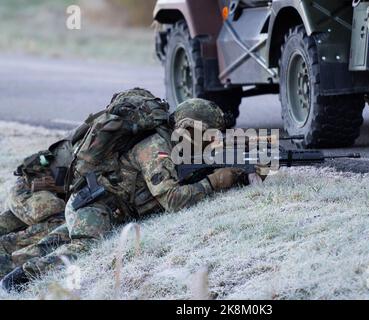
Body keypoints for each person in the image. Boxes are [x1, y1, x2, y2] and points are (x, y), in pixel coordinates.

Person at [1, 90, 247, 292]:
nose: (210, 141)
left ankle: (6, 263)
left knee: (50, 242)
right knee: (84, 248)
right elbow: (172, 200)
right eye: (207, 134)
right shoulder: (156, 147)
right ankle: (19, 282)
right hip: (95, 206)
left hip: (95, 204)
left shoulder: (173, 146)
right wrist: (215, 182)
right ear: (188, 128)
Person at [0, 137, 77, 279]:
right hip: (31, 196)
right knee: (58, 219)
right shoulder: (71, 149)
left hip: (28, 198)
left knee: (11, 223)